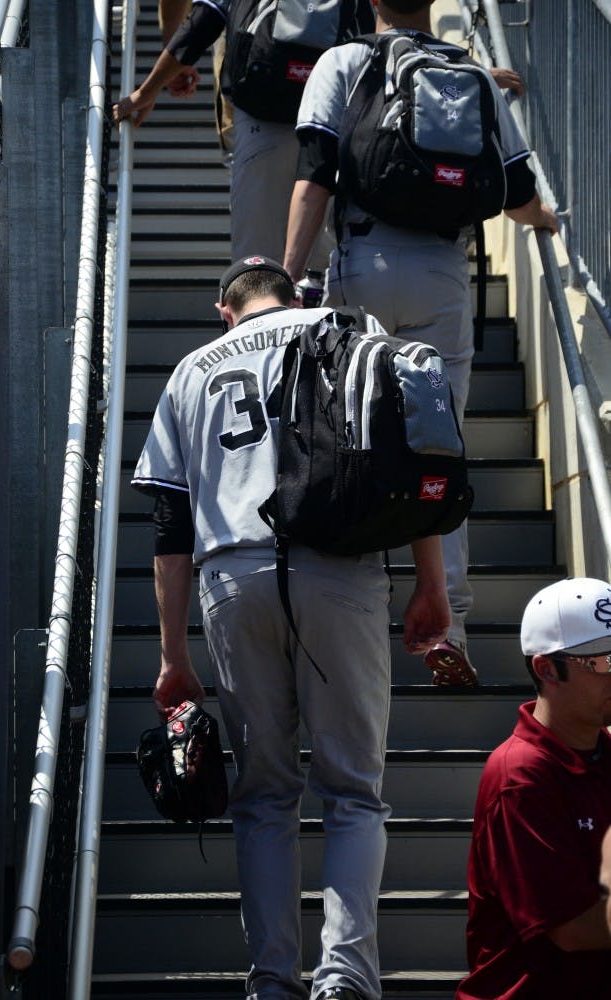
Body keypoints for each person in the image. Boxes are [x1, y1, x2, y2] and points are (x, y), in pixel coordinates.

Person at [131, 255, 451, 1000]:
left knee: (266, 794)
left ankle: (272, 981)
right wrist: (431, 585)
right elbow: (413, 460)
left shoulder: (190, 370)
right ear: (295, 294)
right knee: (352, 793)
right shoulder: (347, 327)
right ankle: (344, 979)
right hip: (339, 567)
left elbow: (170, 527)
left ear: (225, 310)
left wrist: (174, 655)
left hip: (230, 578)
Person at [282, 0, 559, 686]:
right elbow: (517, 187)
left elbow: (315, 174)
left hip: (363, 268)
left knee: (353, 439)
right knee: (440, 443)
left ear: (371, 2)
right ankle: (448, 623)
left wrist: (283, 280)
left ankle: (352, 621)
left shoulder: (343, 63)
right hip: (442, 276)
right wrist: (547, 221)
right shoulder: (475, 77)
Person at [113, 0, 375, 264]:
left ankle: (264, 297)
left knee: (258, 261)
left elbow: (206, 18)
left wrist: (146, 91)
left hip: (263, 107)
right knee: (325, 261)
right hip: (336, 118)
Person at [456, 576, 611, 999]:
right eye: (602, 663)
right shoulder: (519, 776)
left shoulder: (601, 751)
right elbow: (573, 930)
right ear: (546, 669)